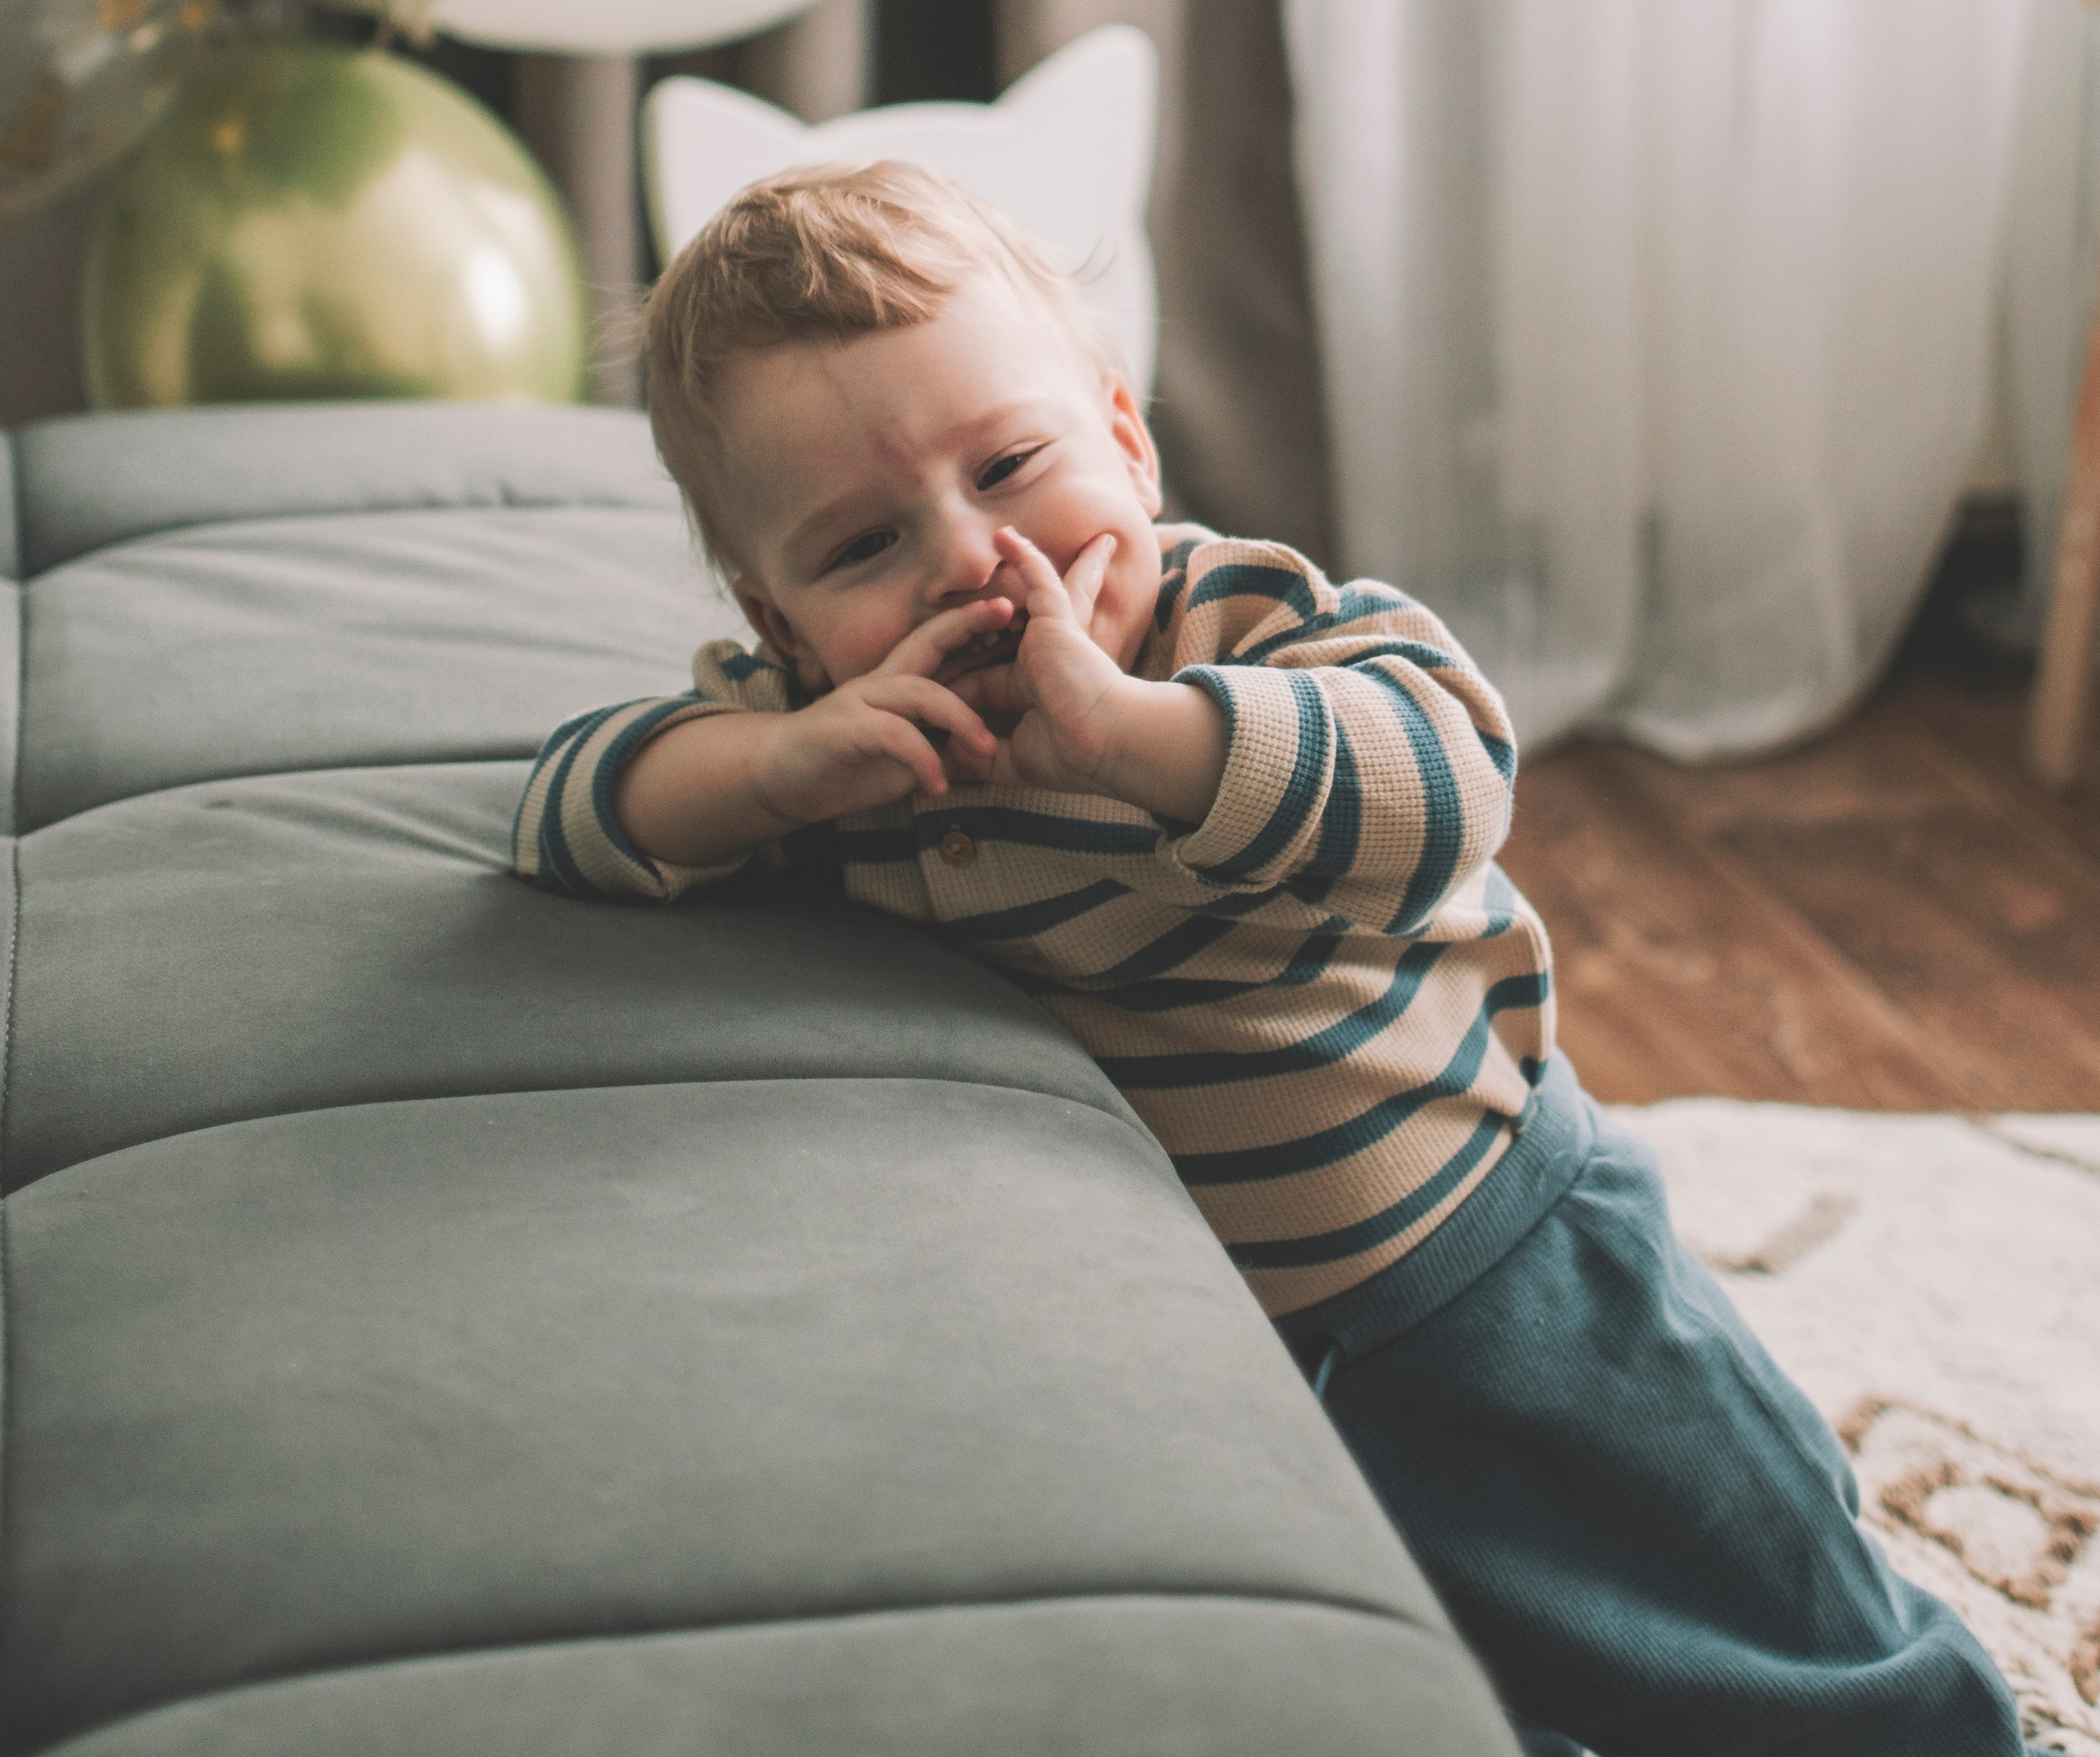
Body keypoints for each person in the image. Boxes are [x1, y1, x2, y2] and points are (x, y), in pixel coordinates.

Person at [514, 161, 2024, 1757]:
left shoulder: (1241, 628)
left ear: (1124, 436)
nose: (970, 558)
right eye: (861, 544)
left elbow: (1443, 787)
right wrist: (771, 772)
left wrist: (1137, 739)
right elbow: (564, 811)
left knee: (1757, 1625)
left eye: (1011, 464)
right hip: (1218, 1376)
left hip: (1493, 1266)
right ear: (777, 610)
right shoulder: (840, 734)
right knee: (1471, 1680)